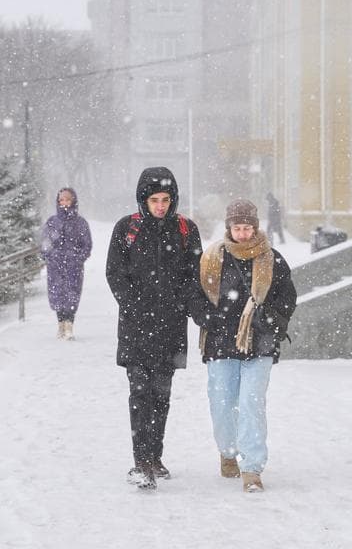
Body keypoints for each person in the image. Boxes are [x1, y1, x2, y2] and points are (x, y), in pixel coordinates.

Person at [105, 166, 203, 490]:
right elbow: (115, 274)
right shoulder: (126, 229)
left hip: (171, 329)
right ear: (143, 200)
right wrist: (136, 308)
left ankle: (155, 456)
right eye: (154, 200)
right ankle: (140, 461)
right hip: (135, 328)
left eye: (165, 200)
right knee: (139, 393)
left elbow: (193, 278)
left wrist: (193, 311)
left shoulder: (187, 230)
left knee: (161, 395)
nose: (160, 206)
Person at [190, 199, 297, 493]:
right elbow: (195, 295)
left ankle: (252, 468)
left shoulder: (272, 259)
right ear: (229, 228)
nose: (243, 233)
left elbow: (287, 298)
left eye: (247, 227)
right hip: (220, 343)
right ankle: (227, 452)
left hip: (259, 343)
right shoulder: (211, 257)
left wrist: (271, 320)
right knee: (222, 403)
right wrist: (209, 317)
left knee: (252, 404)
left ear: (255, 227)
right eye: (237, 228)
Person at [40, 187, 92, 340]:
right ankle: (60, 325)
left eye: (67, 199)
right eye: (61, 200)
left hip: (73, 267)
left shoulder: (80, 223)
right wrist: (49, 256)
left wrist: (78, 258)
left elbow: (87, 244)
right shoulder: (52, 222)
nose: (64, 202)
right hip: (55, 266)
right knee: (57, 295)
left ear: (73, 200)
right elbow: (45, 242)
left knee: (72, 294)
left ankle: (69, 325)